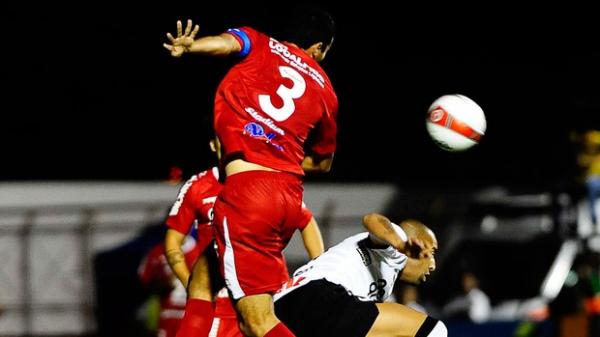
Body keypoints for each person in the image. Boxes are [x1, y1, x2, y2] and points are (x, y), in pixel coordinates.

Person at [164, 6, 337, 337]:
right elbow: (323, 162)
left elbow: (226, 44)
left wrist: (192, 46)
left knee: (255, 322)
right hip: (288, 196)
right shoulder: (326, 90)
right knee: (203, 277)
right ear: (318, 48)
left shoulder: (261, 43)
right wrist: (276, 152)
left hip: (250, 195)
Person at [273, 213, 447, 337]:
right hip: (321, 296)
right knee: (435, 330)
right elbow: (372, 219)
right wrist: (400, 243)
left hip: (281, 308)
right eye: (431, 252)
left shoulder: (382, 283)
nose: (433, 264)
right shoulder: (394, 246)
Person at [138, 233, 201, 337]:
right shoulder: (158, 252)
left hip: (193, 318)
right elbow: (145, 281)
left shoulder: (202, 251)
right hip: (167, 315)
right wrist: (163, 283)